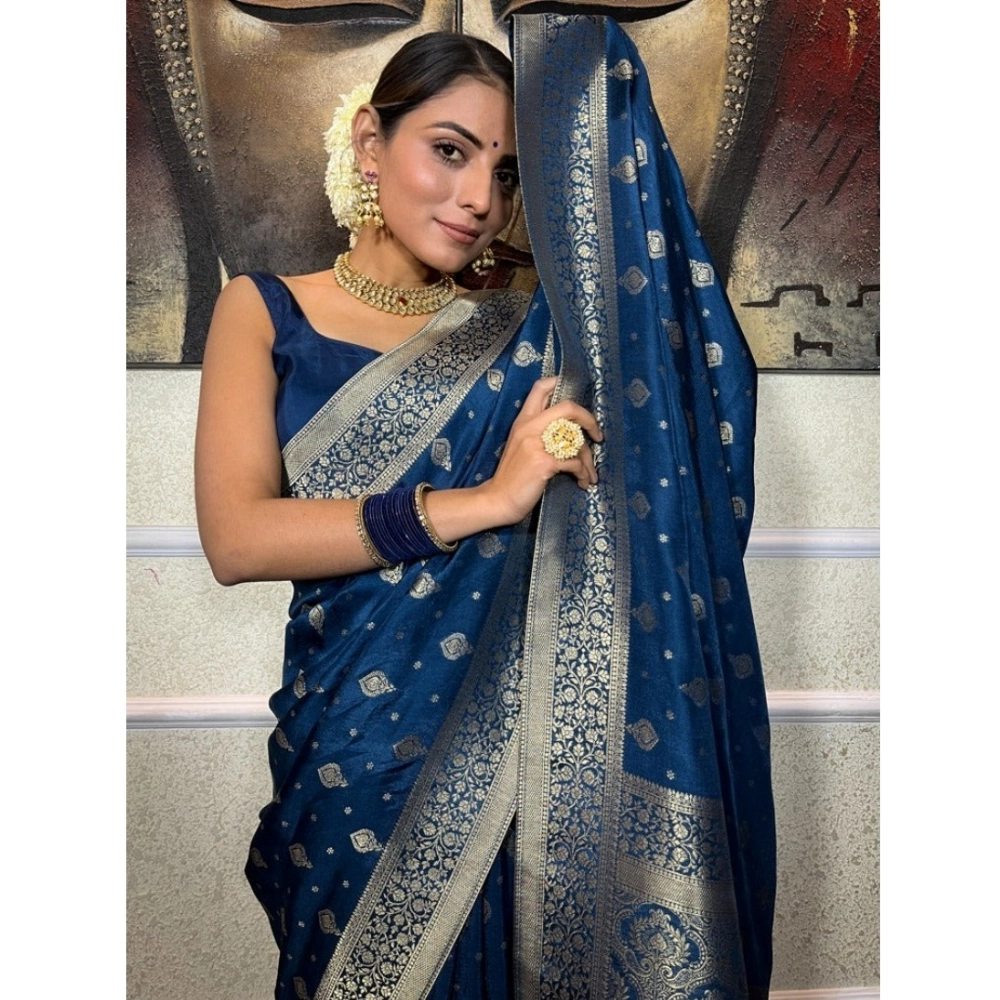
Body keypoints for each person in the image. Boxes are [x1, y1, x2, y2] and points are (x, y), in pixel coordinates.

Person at [195, 15, 775, 1000]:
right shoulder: (263, 309)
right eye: (449, 151)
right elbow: (238, 538)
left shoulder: (538, 335)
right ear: (371, 143)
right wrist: (483, 500)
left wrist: (590, 75)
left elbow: (679, 388)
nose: (479, 200)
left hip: (515, 768)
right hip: (352, 754)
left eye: (507, 173)